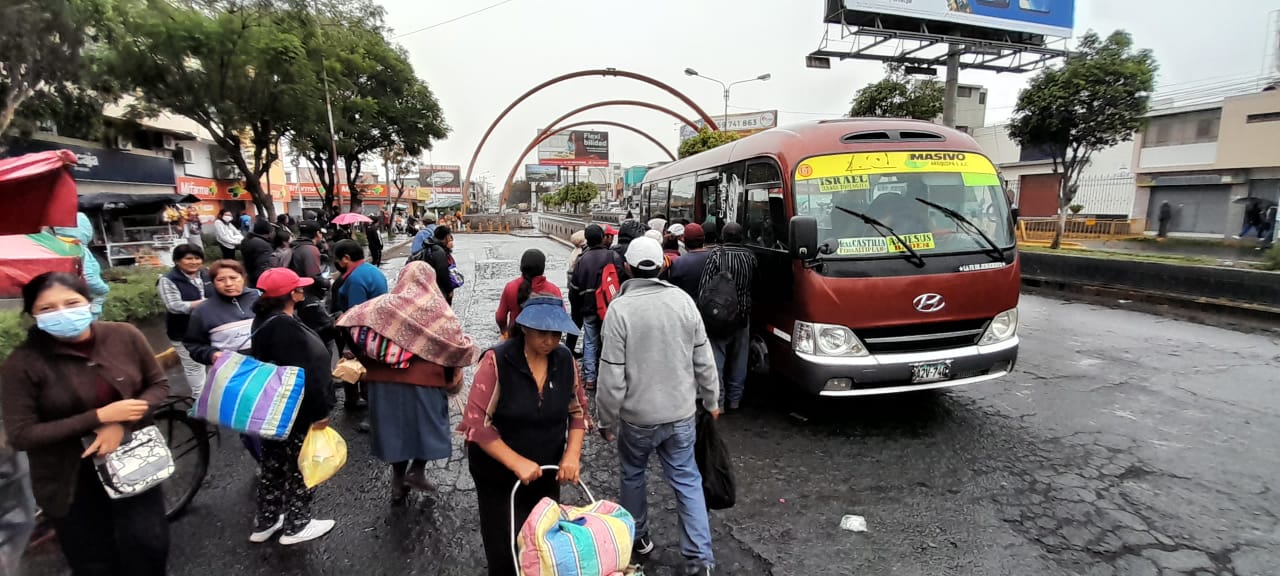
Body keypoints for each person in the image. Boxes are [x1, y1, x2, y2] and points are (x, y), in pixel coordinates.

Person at [1, 273, 170, 574]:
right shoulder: (21, 365)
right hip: (69, 477)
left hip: (131, 461)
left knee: (149, 544)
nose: (62, 313)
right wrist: (99, 418)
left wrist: (121, 425)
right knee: (94, 560)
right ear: (32, 316)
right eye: (47, 309)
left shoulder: (124, 335)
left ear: (89, 304)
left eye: (71, 303)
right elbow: (21, 434)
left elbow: (158, 385)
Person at [596, 237, 720, 575]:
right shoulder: (682, 301)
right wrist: (712, 401)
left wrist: (605, 420)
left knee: (633, 474)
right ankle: (700, 559)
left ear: (627, 269)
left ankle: (639, 539)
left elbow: (611, 376)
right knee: (686, 479)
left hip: (637, 419)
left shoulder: (620, 310)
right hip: (680, 414)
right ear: (663, 266)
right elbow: (703, 358)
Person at [460, 296, 588, 576]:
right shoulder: (498, 360)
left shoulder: (565, 359)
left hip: (546, 469)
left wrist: (572, 455)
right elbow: (477, 424)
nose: (550, 340)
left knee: (544, 540)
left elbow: (577, 412)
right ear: (525, 328)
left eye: (556, 334)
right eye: (542, 332)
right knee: (505, 545)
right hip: (497, 474)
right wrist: (516, 462)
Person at [337, 262, 479, 501]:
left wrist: (363, 356)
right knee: (428, 426)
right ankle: (418, 470)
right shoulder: (437, 308)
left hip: (383, 383)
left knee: (394, 431)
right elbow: (456, 342)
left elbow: (346, 319)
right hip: (426, 381)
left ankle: (398, 479)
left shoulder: (385, 306)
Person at [248, 268, 337, 545]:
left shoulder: (265, 319)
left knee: (273, 465)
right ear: (291, 294)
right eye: (299, 288)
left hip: (273, 409)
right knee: (302, 465)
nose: (303, 291)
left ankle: (267, 520)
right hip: (295, 411)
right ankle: (296, 524)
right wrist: (319, 413)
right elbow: (303, 374)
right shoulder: (284, 327)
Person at [699, 223, 757, 412]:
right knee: (740, 360)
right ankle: (735, 399)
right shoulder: (750, 256)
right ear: (741, 237)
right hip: (742, 316)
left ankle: (719, 402)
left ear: (723, 236)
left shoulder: (716, 255)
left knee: (718, 359)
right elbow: (757, 283)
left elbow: (705, 288)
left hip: (720, 317)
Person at [569, 224, 626, 390]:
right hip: (609, 307)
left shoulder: (582, 259)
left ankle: (590, 378)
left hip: (588, 307)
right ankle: (609, 376)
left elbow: (575, 288)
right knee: (609, 341)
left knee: (590, 341)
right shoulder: (613, 256)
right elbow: (621, 279)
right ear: (602, 237)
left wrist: (577, 308)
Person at [158, 244, 212, 397]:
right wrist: (203, 304)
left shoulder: (206, 274)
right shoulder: (168, 280)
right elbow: (174, 306)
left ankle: (213, 398)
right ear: (177, 261)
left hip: (207, 328)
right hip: (183, 331)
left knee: (211, 362)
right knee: (194, 366)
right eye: (188, 258)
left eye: (197, 258)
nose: (194, 262)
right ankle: (199, 401)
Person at [52, 212, 110, 319]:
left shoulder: (57, 248)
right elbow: (88, 277)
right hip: (82, 299)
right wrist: (103, 290)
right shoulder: (77, 249)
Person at [496, 249, 564, 335]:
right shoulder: (553, 289)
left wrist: (504, 331)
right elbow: (561, 318)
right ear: (542, 268)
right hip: (544, 340)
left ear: (521, 267)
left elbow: (500, 317)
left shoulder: (510, 287)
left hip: (515, 337)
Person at [288, 221, 333, 342]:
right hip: (308, 297)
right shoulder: (310, 249)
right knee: (323, 336)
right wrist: (328, 283)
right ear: (318, 234)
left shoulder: (294, 246)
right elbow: (313, 276)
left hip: (297, 295)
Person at [333, 240, 389, 314]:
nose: (337, 262)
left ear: (346, 258)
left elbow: (355, 315)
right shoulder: (372, 269)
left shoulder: (355, 279)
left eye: (337, 259)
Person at [669, 223, 710, 299]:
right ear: (703, 238)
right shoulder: (714, 257)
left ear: (684, 239)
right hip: (712, 307)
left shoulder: (678, 262)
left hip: (688, 306)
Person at [421, 226, 459, 305]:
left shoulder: (432, 246)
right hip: (439, 289)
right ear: (446, 237)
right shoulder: (439, 251)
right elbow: (443, 273)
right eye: (449, 236)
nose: (450, 238)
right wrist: (449, 289)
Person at [564, 230, 588, 357]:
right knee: (579, 322)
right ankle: (571, 348)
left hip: (573, 292)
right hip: (579, 293)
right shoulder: (581, 255)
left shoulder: (574, 252)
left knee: (575, 321)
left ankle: (570, 347)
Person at [240, 219, 275, 288]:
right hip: (258, 281)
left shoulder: (247, 240)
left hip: (249, 276)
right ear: (267, 232)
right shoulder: (263, 245)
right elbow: (262, 266)